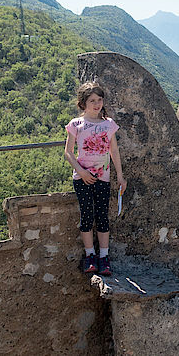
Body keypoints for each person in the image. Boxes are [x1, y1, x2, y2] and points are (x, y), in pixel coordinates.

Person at [64, 82, 127, 275]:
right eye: (92, 100)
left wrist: (121, 176)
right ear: (83, 103)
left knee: (102, 216)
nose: (97, 104)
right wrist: (81, 172)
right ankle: (90, 255)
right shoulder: (76, 124)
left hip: (103, 177)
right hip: (82, 178)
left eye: (99, 100)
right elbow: (68, 153)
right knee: (86, 216)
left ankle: (104, 257)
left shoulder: (108, 124)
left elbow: (114, 151)